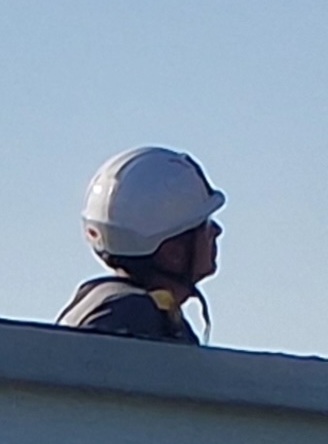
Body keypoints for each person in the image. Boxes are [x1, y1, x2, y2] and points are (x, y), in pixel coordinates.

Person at [57, 146, 225, 344]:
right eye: (203, 224)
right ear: (173, 253)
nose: (216, 231)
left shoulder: (101, 303)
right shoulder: (133, 318)